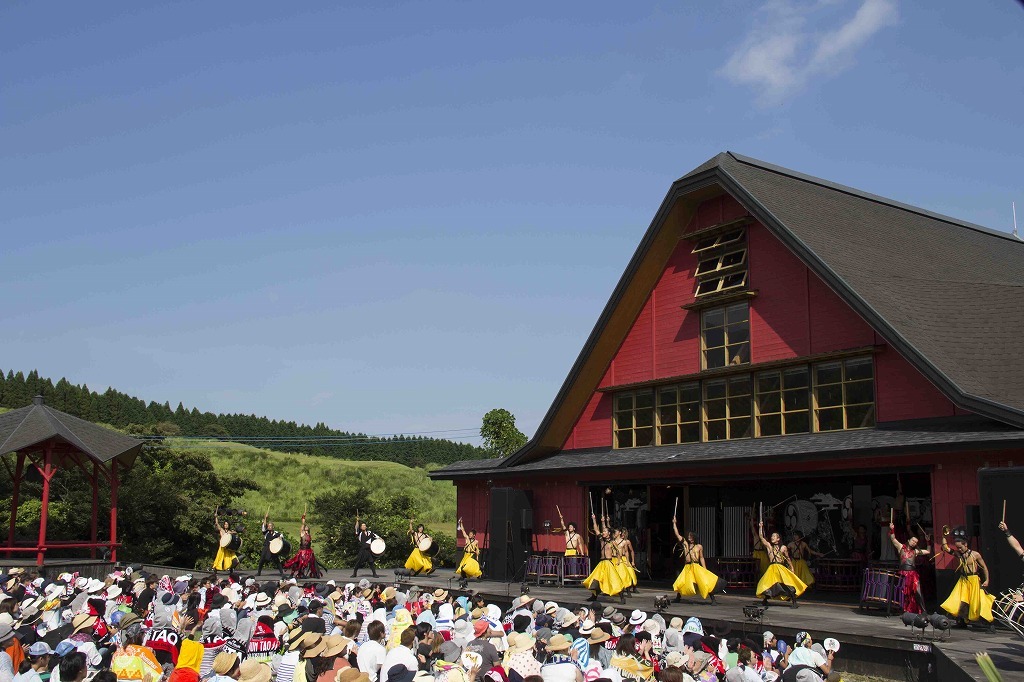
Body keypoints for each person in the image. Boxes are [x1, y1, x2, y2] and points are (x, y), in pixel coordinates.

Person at [939, 527, 994, 626]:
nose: (959, 549)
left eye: (960, 547)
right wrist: (943, 536)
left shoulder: (975, 555)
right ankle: (962, 620)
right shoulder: (958, 554)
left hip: (974, 579)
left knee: (978, 600)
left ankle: (987, 622)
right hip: (963, 579)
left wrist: (987, 580)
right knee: (960, 599)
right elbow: (946, 548)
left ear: (966, 544)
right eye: (957, 547)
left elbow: (984, 568)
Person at [755, 521, 806, 608]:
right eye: (772, 536)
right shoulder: (769, 546)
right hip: (772, 568)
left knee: (786, 583)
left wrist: (791, 567)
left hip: (779, 567)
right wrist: (760, 527)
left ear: (778, 539)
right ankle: (765, 600)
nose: (772, 537)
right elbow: (761, 537)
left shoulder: (783, 548)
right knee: (767, 583)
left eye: (774, 536)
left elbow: (788, 558)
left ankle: (794, 602)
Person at [670, 519, 722, 604]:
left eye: (691, 536)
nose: (689, 537)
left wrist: (704, 569)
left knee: (704, 581)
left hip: (696, 566)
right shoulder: (685, 544)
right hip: (687, 567)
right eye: (689, 536)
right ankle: (678, 597)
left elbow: (701, 558)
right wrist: (674, 524)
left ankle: (713, 599)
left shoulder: (699, 546)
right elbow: (677, 534)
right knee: (681, 581)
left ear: (694, 537)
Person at [583, 512, 626, 604]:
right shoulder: (602, 540)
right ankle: (594, 596)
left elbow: (618, 552)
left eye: (605, 531)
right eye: (603, 531)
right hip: (602, 563)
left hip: (608, 563)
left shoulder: (612, 542)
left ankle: (622, 597)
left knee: (614, 580)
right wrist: (594, 519)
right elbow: (596, 530)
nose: (603, 532)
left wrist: (618, 561)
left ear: (609, 533)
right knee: (595, 579)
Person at [888, 522, 929, 614]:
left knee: (917, 591)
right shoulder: (901, 547)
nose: (914, 542)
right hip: (903, 573)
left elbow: (928, 551)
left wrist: (928, 541)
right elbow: (893, 538)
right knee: (903, 592)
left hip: (913, 573)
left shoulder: (916, 551)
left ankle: (924, 611)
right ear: (909, 540)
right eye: (913, 540)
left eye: (916, 542)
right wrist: (892, 529)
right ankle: (901, 609)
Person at [284, 513, 322, 579]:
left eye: (307, 527)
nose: (306, 527)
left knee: (305, 563)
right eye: (305, 526)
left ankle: (302, 574)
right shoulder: (302, 533)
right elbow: (302, 525)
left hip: (308, 551)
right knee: (298, 562)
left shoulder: (309, 535)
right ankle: (292, 573)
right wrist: (303, 517)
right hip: (302, 551)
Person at [257, 512, 286, 578]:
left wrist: (280, 538)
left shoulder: (276, 533)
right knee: (262, 559)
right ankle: (259, 572)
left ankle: (281, 572)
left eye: (270, 526)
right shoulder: (266, 532)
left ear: (273, 527)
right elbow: (264, 526)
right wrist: (265, 518)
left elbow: (281, 535)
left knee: (276, 560)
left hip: (273, 548)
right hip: (266, 547)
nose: (269, 527)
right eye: (268, 526)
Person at [455, 520, 483, 589]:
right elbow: (463, 531)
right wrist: (461, 523)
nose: (469, 535)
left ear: (474, 535)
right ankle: (462, 577)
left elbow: (477, 549)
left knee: (470, 567)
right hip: (466, 555)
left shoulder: (476, 541)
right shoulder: (467, 539)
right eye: (469, 534)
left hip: (471, 555)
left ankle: (479, 576)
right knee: (462, 566)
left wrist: (477, 554)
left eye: (471, 534)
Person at [352, 514, 380, 579]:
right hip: (362, 550)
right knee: (358, 562)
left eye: (365, 525)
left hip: (368, 550)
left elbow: (376, 536)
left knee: (371, 562)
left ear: (366, 527)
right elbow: (356, 528)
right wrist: (357, 521)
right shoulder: (360, 533)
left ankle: (374, 574)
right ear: (361, 527)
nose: (364, 526)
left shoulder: (369, 533)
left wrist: (381, 539)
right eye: (362, 526)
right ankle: (354, 573)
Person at [615, 525, 639, 596]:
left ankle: (633, 587)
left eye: (624, 533)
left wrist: (632, 561)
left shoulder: (627, 542)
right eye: (622, 533)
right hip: (617, 559)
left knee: (630, 573)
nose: (622, 534)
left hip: (624, 559)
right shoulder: (614, 541)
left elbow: (631, 551)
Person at [213, 512, 239, 577]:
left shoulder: (230, 532)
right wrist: (216, 517)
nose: (226, 525)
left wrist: (236, 532)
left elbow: (236, 533)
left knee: (235, 560)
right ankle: (215, 569)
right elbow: (217, 524)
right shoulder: (222, 530)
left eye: (227, 524)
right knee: (219, 559)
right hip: (222, 547)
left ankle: (231, 569)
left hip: (228, 548)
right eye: (225, 524)